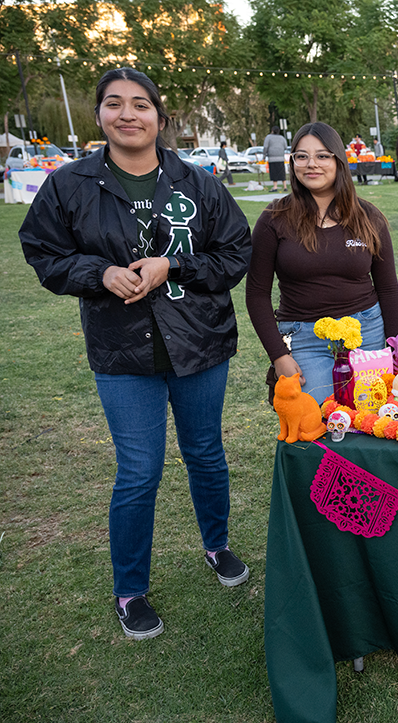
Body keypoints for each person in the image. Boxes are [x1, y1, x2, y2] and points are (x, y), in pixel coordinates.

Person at [19, 67, 253, 641]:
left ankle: (217, 545)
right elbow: (42, 252)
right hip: (123, 350)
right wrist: (97, 272)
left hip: (199, 343)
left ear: (160, 117)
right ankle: (130, 588)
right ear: (99, 114)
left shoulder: (197, 183)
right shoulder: (69, 184)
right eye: (115, 104)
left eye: (141, 104)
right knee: (139, 470)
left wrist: (173, 264)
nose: (129, 114)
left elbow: (235, 253)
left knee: (205, 452)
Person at [246, 122, 398, 405]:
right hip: (304, 338)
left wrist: (394, 350)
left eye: (322, 155)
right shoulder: (274, 218)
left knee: (369, 419)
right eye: (301, 156)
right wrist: (279, 356)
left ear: (338, 161)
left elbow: (388, 288)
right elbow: (256, 294)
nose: (311, 164)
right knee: (316, 423)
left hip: (365, 334)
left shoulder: (368, 216)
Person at [263, 124, 289, 193]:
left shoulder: (268, 137)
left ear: (272, 131)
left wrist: (264, 157)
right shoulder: (282, 138)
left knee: (274, 173)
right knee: (282, 172)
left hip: (272, 158)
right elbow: (286, 147)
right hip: (280, 158)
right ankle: (285, 186)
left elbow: (265, 147)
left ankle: (275, 187)